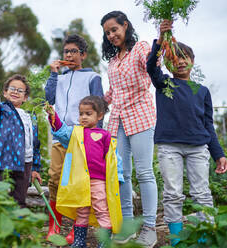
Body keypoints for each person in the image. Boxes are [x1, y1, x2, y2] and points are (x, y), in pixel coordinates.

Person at [146, 20, 227, 246]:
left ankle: (204, 239)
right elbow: (152, 67)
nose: (180, 62)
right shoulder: (164, 84)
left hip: (198, 148)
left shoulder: (201, 91)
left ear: (192, 61)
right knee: (173, 194)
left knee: (202, 194)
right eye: (175, 58)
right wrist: (161, 41)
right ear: (170, 64)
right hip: (169, 147)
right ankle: (176, 241)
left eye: (185, 57)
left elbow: (208, 125)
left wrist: (218, 153)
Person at [100, 11, 158, 247]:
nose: (112, 35)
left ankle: (150, 227)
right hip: (118, 121)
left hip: (141, 116)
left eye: (114, 29)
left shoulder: (141, 48)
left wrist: (162, 42)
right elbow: (112, 94)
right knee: (121, 176)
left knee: (144, 172)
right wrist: (94, 106)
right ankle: (127, 226)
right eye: (107, 32)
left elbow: (153, 63)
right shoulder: (112, 62)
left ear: (125, 26)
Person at [45, 34, 104, 243]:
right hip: (59, 135)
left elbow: (99, 108)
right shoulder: (58, 78)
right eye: (66, 52)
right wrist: (53, 74)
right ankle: (55, 223)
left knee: (79, 182)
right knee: (55, 178)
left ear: (83, 55)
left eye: (73, 51)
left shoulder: (92, 77)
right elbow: (49, 99)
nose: (69, 55)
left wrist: (97, 139)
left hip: (82, 137)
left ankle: (76, 227)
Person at [46, 96, 123, 248]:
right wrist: (53, 116)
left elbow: (114, 159)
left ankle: (104, 242)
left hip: (98, 181)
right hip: (80, 181)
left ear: (99, 115)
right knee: (81, 210)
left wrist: (118, 177)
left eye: (88, 114)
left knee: (102, 209)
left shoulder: (105, 136)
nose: (83, 117)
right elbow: (61, 131)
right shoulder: (76, 133)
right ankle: (79, 241)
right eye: (81, 114)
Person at [0, 62, 42, 208]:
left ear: (25, 97)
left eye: (20, 90)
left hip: (24, 165)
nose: (15, 92)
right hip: (3, 162)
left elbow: (36, 145)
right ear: (5, 92)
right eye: (12, 89)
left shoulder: (31, 117)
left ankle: (15, 230)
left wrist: (35, 168)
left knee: (19, 200)